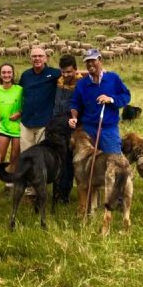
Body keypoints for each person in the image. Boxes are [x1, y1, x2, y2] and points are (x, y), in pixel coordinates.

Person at [69, 49, 131, 155]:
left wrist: (111, 99)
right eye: (87, 61)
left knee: (114, 161)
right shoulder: (82, 83)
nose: (90, 64)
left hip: (108, 129)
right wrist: (74, 117)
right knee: (86, 163)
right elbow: (75, 103)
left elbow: (126, 96)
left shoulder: (113, 78)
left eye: (93, 60)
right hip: (88, 129)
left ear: (100, 60)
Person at [52, 54, 83, 203]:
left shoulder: (82, 84)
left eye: (69, 72)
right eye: (63, 72)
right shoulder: (58, 81)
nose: (66, 75)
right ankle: (56, 193)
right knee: (57, 159)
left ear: (76, 70)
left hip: (72, 127)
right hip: (55, 125)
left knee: (68, 161)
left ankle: (64, 195)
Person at [19, 47, 61, 152]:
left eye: (40, 56)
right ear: (30, 59)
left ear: (46, 58)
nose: (37, 58)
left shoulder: (54, 73)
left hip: (44, 123)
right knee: (26, 154)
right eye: (34, 56)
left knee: (42, 155)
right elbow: (19, 93)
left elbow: (71, 73)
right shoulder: (25, 75)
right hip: (26, 123)